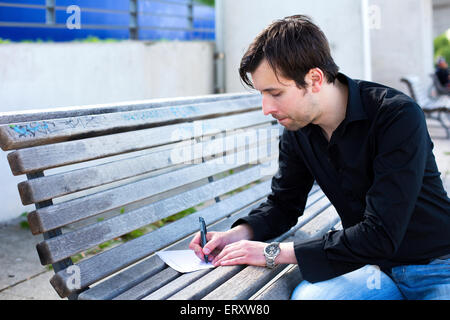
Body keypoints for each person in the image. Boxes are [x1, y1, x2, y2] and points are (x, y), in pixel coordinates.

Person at [189, 15, 450, 300]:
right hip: (371, 269)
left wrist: (273, 252)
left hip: (436, 267)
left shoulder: (396, 116)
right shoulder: (298, 126)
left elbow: (380, 234)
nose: (266, 108)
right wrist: (240, 233)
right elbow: (284, 204)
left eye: (275, 93)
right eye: (263, 95)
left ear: (314, 79)